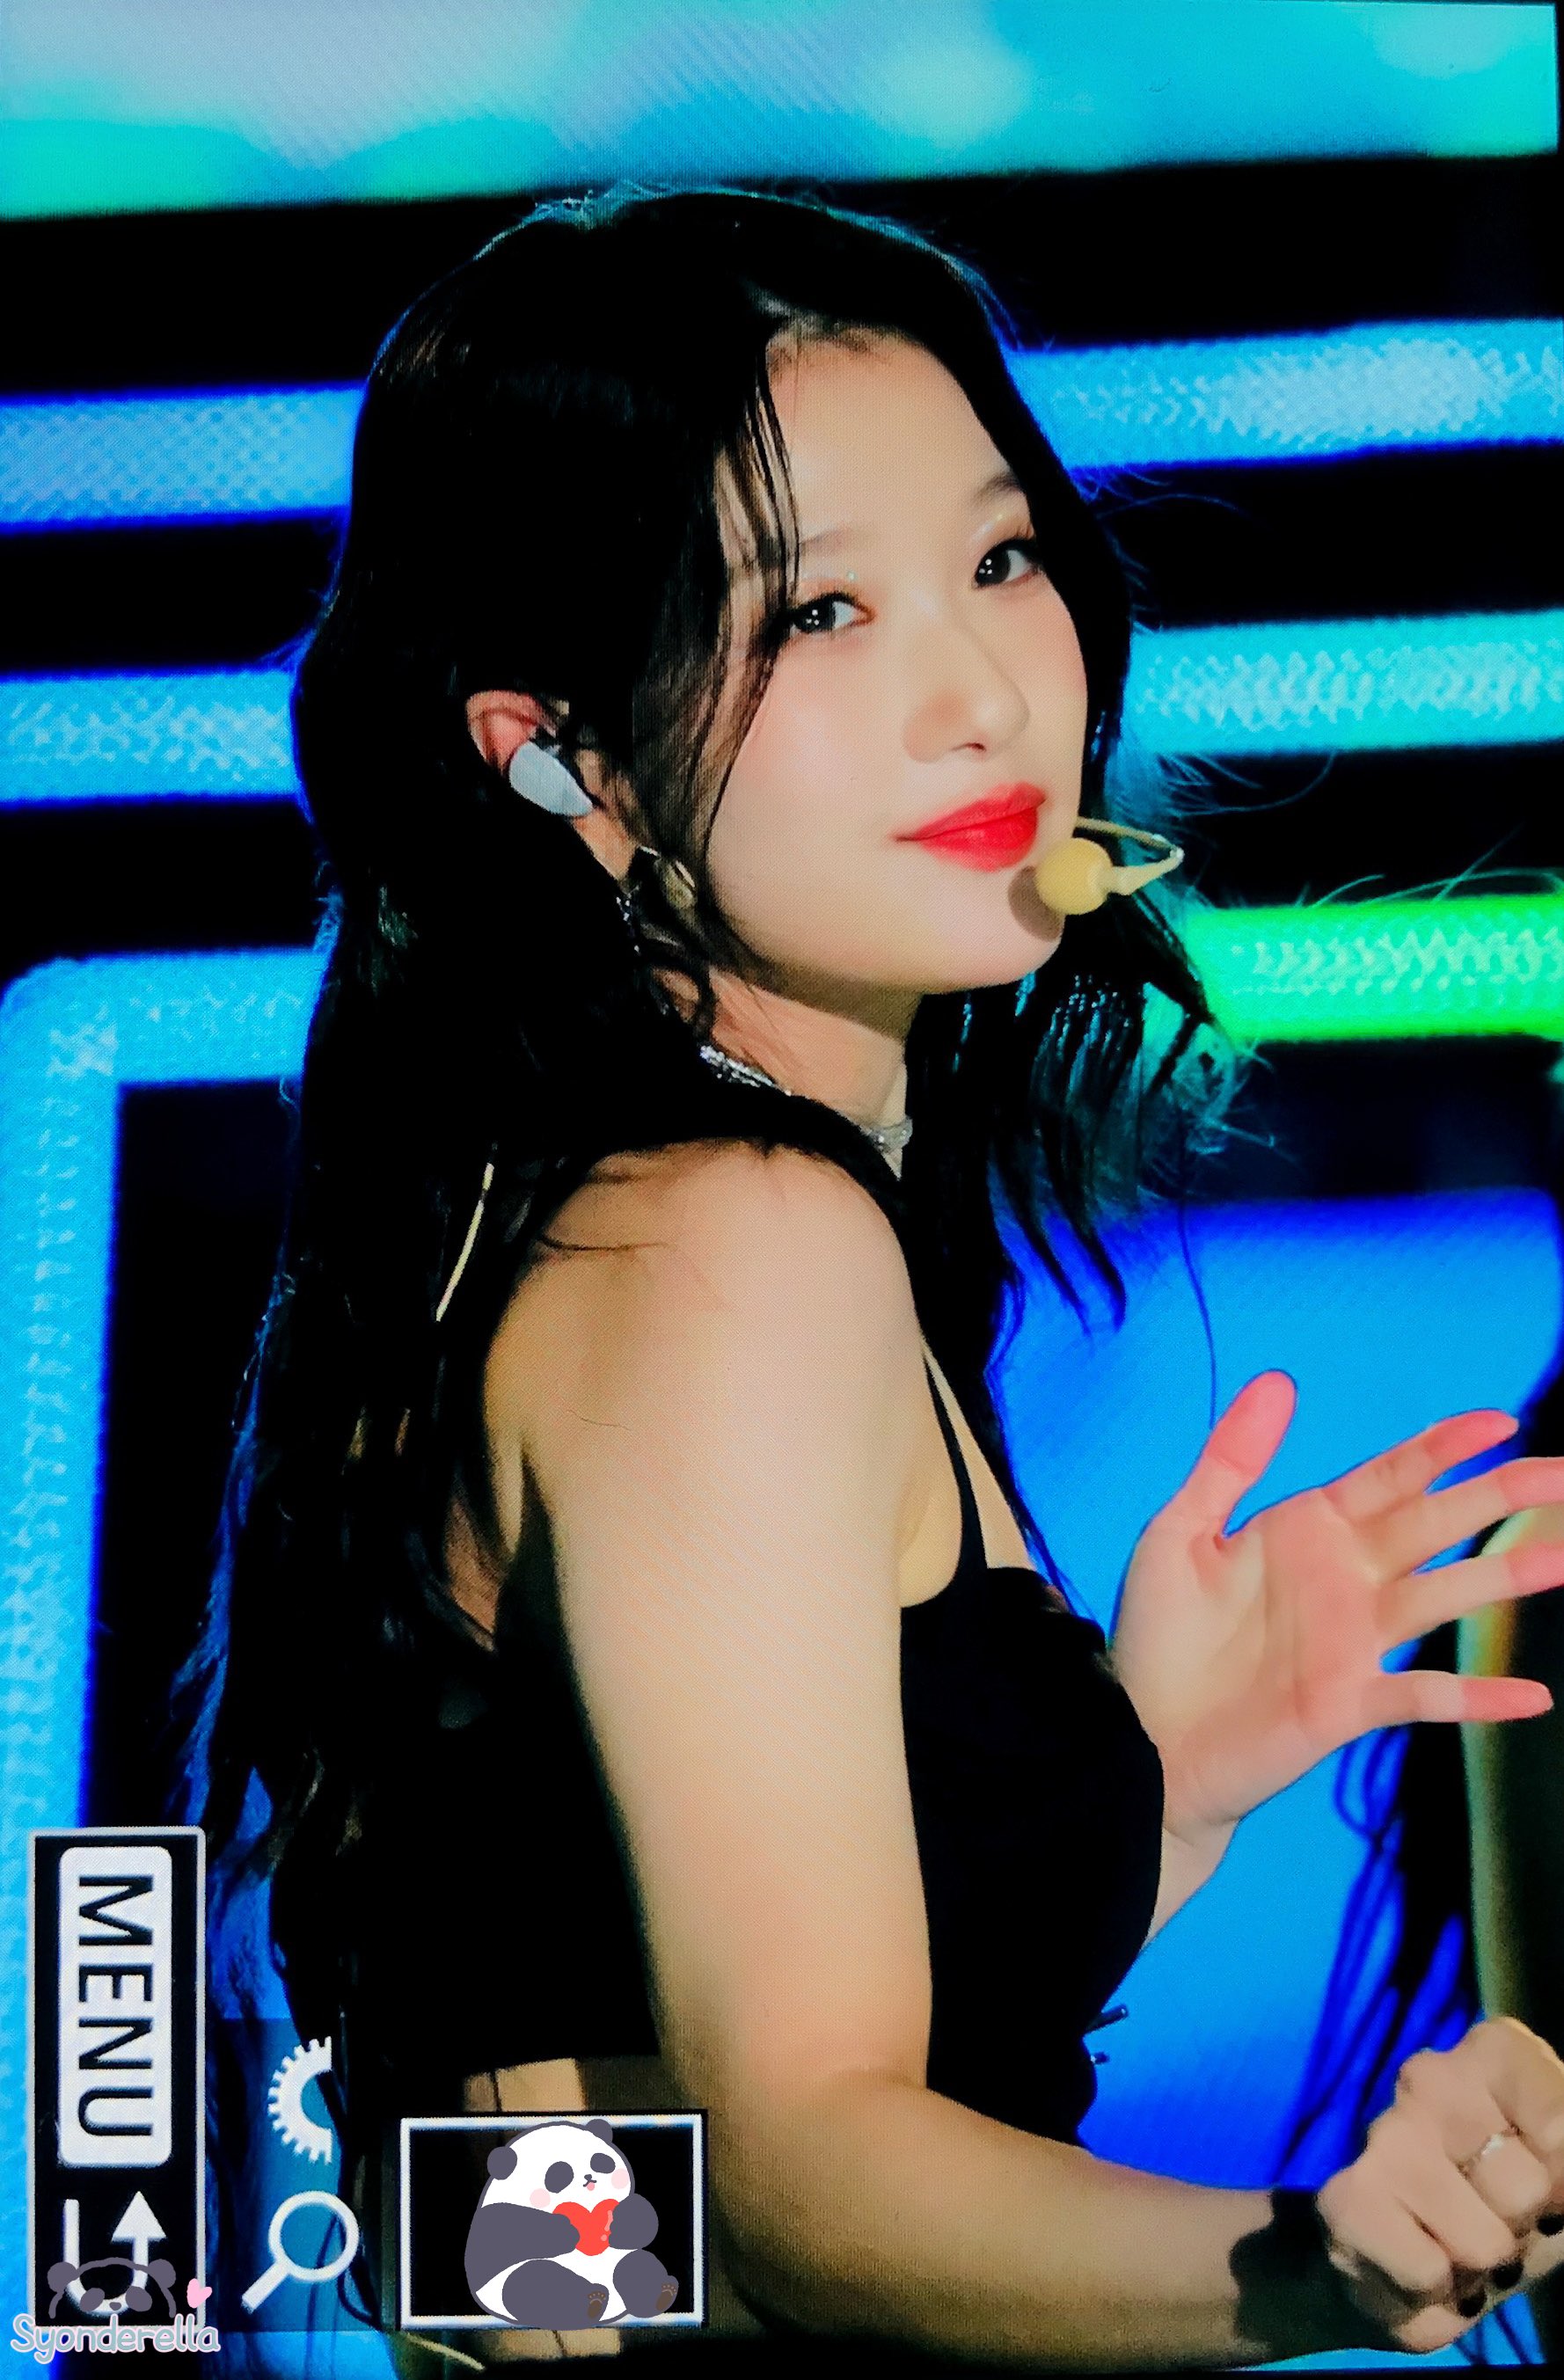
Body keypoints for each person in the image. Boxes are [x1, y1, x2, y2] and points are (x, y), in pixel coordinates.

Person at [180, 184, 1564, 2369]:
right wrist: (1316, 2262)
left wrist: (1153, 1787)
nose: (978, 694)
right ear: (565, 756)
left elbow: (491, 2209)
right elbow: (791, 2188)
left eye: (1001, 561)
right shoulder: (727, 1243)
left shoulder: (613, 1215)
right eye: (818, 612)